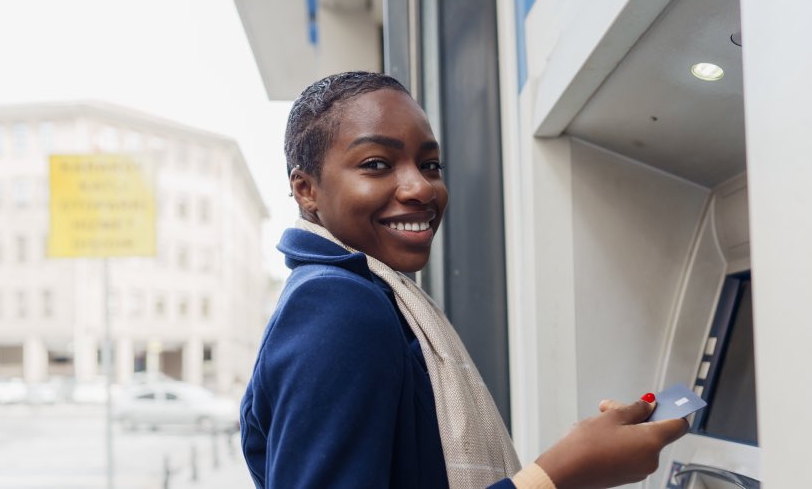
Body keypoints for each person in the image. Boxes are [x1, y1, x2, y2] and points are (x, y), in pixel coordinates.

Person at [239, 71, 689, 489]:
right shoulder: (338, 304)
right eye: (377, 164)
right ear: (306, 189)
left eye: (430, 164)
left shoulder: (360, 293)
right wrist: (558, 474)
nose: (420, 188)